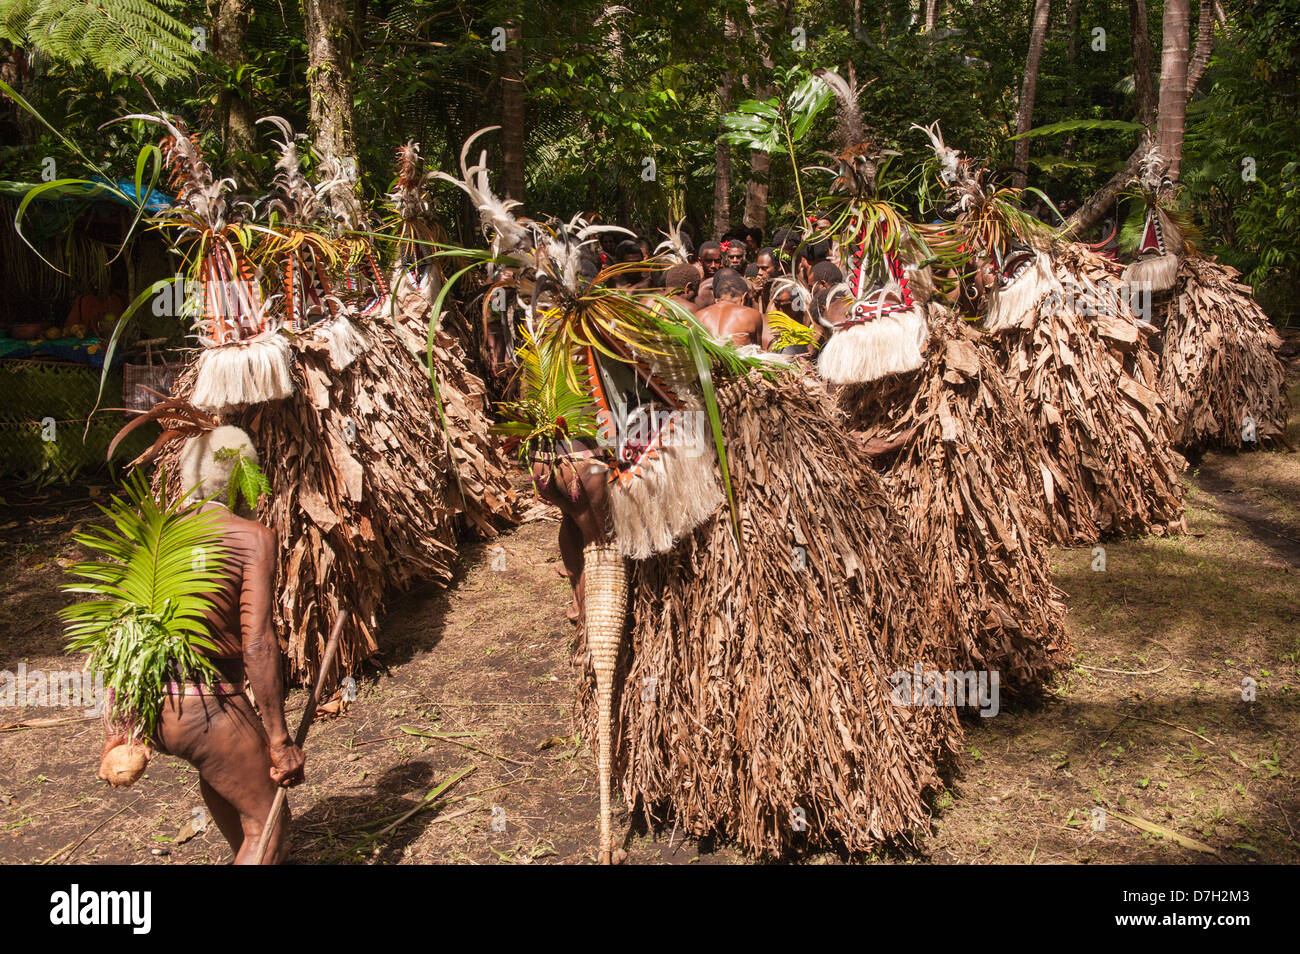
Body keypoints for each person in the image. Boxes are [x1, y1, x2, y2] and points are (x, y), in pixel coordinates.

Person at [98, 426, 303, 864]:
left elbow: (123, 635)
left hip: (153, 704)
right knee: (270, 828)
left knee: (235, 793)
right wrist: (279, 738)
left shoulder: (157, 534)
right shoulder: (249, 537)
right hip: (206, 709)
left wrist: (117, 728)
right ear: (242, 477)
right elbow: (259, 645)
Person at [695, 268, 762, 347]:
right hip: (738, 358)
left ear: (716, 300)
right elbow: (758, 351)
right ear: (744, 297)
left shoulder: (696, 317)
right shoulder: (752, 316)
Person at [694, 241, 724, 307]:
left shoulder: (726, 284)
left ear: (721, 260)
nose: (713, 265)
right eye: (708, 261)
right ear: (700, 261)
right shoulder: (695, 286)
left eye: (717, 261)